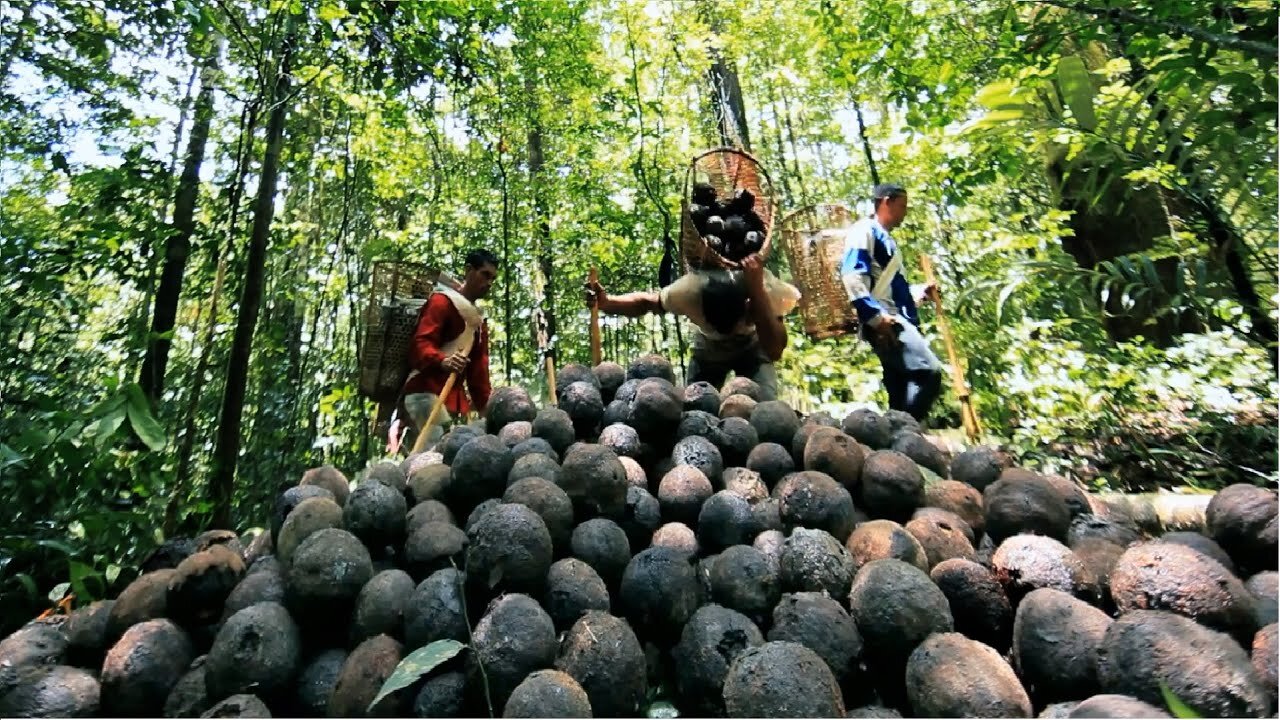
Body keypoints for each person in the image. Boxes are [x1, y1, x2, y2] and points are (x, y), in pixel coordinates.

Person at [584, 253, 800, 400]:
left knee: (766, 405)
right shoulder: (687, 291)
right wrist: (607, 302)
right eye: (717, 324)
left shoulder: (767, 290)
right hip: (709, 348)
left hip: (754, 344)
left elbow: (775, 350)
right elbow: (646, 303)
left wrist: (758, 293)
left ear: (747, 308)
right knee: (697, 406)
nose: (725, 332)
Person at [840, 182, 945, 422]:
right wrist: (876, 319)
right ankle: (904, 430)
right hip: (886, 321)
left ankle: (895, 442)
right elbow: (852, 275)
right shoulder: (864, 229)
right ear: (886, 202)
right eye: (902, 206)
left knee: (899, 388)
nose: (905, 212)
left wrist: (919, 293)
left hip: (892, 315)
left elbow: (890, 288)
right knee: (929, 372)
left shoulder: (887, 240)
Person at [395, 248, 499, 449]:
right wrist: (442, 361)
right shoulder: (441, 302)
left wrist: (487, 411)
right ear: (469, 271)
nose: (488, 284)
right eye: (484, 275)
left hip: (454, 405)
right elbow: (420, 345)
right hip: (424, 394)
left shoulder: (478, 323)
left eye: (492, 279)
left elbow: (478, 374)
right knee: (433, 457)